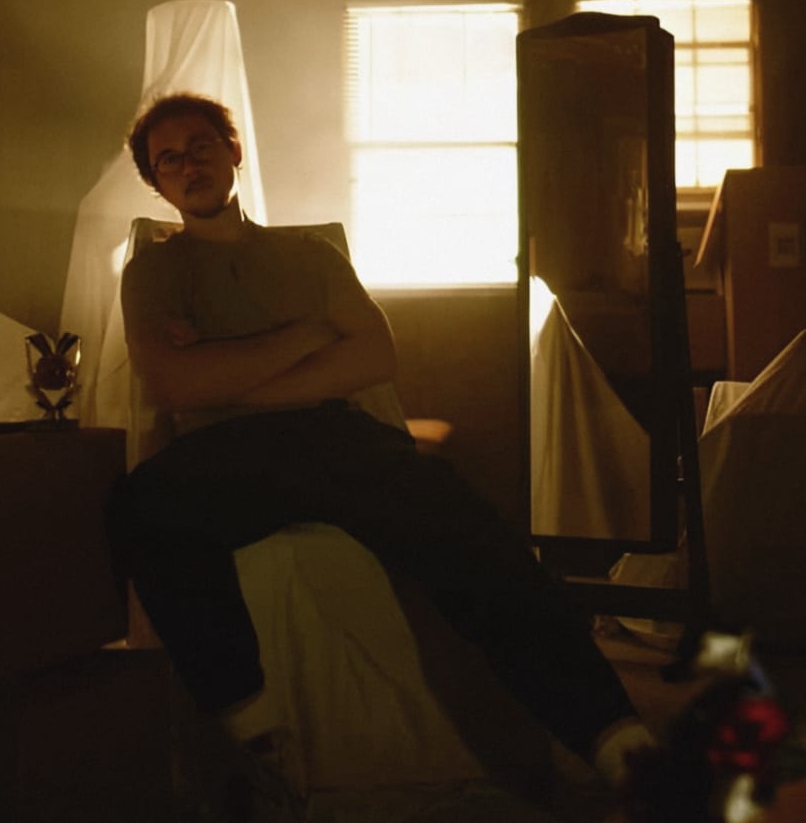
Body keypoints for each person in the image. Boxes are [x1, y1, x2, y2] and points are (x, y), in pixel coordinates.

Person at [108, 92, 653, 794]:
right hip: (225, 454)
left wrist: (224, 373)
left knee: (467, 527)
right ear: (156, 183)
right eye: (169, 160)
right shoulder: (153, 271)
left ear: (233, 150)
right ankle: (252, 721)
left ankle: (615, 735)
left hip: (332, 435)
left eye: (201, 146)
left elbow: (373, 356)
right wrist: (311, 335)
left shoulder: (309, 254)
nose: (189, 166)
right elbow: (172, 385)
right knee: (140, 506)